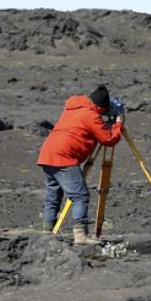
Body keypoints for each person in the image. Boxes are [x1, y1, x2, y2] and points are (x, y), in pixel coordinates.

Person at [37, 85, 124, 246]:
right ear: (101, 107)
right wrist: (118, 124)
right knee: (80, 196)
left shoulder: (73, 108)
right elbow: (108, 139)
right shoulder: (91, 115)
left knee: (53, 196)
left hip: (47, 154)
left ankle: (47, 234)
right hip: (64, 157)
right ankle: (80, 235)